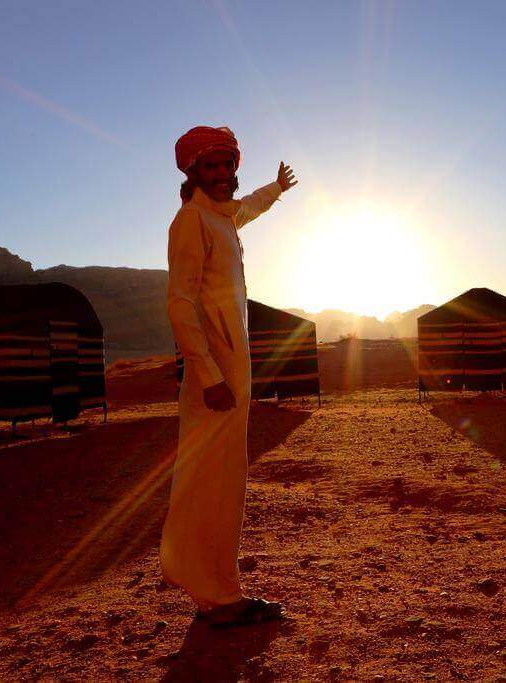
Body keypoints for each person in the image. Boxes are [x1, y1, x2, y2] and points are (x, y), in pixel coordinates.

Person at [161, 125, 297, 626]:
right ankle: (217, 596)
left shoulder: (223, 217)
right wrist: (210, 375)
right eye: (211, 166)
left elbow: (249, 209)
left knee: (223, 478)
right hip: (213, 374)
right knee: (214, 482)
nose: (223, 175)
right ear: (193, 171)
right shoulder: (191, 221)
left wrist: (276, 190)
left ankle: (211, 586)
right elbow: (180, 305)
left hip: (229, 369)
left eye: (228, 165)